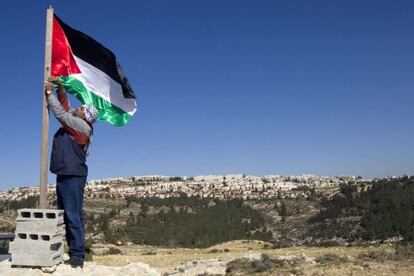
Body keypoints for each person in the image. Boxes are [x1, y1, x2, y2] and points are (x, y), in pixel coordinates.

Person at [44, 76, 98, 268]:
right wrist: (61, 89)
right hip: (66, 174)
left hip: (73, 176)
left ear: (86, 116)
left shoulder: (81, 127)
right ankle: (70, 251)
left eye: (82, 109)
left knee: (73, 215)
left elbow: (61, 113)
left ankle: (77, 256)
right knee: (66, 215)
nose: (79, 108)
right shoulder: (77, 122)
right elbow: (67, 109)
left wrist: (49, 93)